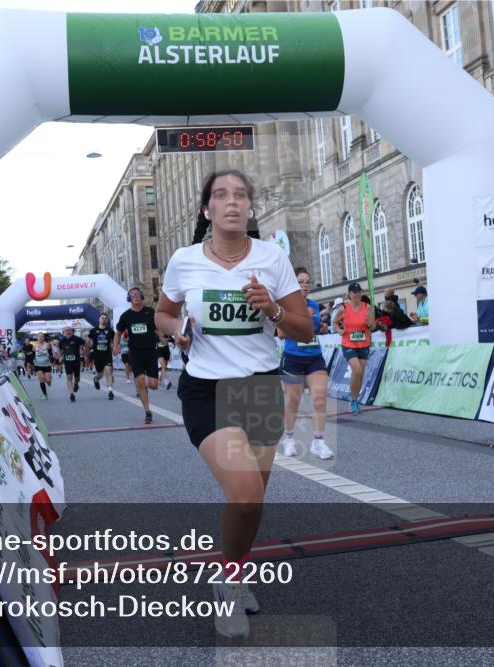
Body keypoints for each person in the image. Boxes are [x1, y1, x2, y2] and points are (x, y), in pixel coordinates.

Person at [154, 169, 311, 639]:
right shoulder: (184, 260)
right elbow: (163, 312)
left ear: (250, 208)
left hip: (259, 389)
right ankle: (227, 582)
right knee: (244, 492)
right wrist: (176, 330)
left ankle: (234, 570)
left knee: (253, 500)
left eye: (241, 195)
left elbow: (304, 330)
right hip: (206, 390)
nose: (232, 202)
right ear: (207, 209)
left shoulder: (272, 258)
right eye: (221, 195)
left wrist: (274, 308)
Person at [278, 267, 333, 460]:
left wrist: (320, 327)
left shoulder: (315, 305)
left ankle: (318, 442)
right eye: (300, 282)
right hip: (293, 357)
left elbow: (316, 330)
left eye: (307, 282)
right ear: (293, 284)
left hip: (314, 356)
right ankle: (289, 439)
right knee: (294, 401)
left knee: (320, 398)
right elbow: (281, 334)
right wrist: (303, 318)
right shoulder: (285, 306)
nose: (305, 285)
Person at [114, 287, 160, 424]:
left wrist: (164, 337)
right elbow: (118, 333)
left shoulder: (150, 312)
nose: (135, 296)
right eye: (132, 295)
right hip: (135, 352)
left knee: (153, 385)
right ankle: (147, 412)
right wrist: (115, 346)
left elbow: (158, 329)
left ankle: (144, 385)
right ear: (129, 299)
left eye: (138, 294)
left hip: (151, 351)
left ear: (142, 297)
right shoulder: (126, 316)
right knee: (140, 382)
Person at [333, 282, 375, 414]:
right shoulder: (343, 308)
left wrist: (370, 324)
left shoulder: (367, 307)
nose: (357, 294)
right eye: (355, 292)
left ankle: (355, 400)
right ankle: (353, 400)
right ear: (349, 294)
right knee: (356, 370)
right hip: (348, 344)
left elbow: (373, 326)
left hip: (364, 344)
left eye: (359, 292)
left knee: (360, 373)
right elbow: (334, 322)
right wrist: (339, 331)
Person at [85, 314, 116, 400]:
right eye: (102, 318)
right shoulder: (93, 331)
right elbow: (87, 340)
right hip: (97, 355)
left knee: (108, 371)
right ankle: (96, 379)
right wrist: (87, 352)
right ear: (99, 319)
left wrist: (115, 348)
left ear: (107, 320)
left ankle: (110, 391)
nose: (104, 319)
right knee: (100, 374)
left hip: (107, 354)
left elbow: (114, 341)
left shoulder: (110, 331)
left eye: (106, 318)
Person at [58, 326, 83, 402]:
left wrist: (84, 352)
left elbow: (84, 343)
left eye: (70, 330)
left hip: (76, 361)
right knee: (69, 377)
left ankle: (76, 384)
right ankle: (71, 394)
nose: (68, 332)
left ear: (72, 331)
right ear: (63, 332)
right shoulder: (61, 341)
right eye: (66, 330)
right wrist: (60, 356)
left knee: (77, 378)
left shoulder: (77, 339)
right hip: (67, 361)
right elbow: (60, 349)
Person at [31, 332, 53, 399]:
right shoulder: (34, 346)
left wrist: (51, 360)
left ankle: (49, 380)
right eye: (39, 336)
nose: (41, 337)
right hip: (38, 365)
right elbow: (32, 355)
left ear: (44, 337)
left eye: (42, 336)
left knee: (48, 380)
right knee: (41, 379)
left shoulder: (48, 345)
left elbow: (51, 354)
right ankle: (45, 395)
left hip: (47, 365)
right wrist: (33, 361)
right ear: (37, 338)